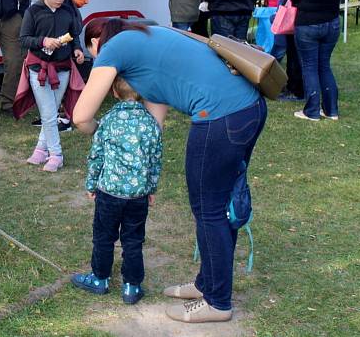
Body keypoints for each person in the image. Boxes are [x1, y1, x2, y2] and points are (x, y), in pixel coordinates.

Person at [73, 18, 267, 323]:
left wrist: (105, 133)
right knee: (217, 206)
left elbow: (81, 116)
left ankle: (217, 302)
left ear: (98, 44)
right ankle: (208, 284)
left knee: (210, 211)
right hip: (248, 109)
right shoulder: (147, 38)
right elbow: (155, 125)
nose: (99, 63)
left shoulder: (114, 48)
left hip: (220, 117)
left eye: (95, 56)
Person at [71, 77, 162, 305]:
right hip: (137, 195)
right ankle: (132, 286)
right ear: (141, 94)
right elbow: (155, 159)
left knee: (103, 237)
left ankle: (99, 279)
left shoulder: (108, 121)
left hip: (109, 193)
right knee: (133, 240)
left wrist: (92, 184)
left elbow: (96, 156)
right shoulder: (150, 123)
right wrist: (151, 187)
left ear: (114, 92)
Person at [17, 0, 85, 172]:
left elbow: (74, 34)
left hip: (63, 68)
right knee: (48, 113)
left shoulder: (67, 11)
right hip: (38, 68)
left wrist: (77, 49)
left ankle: (40, 149)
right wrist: (43, 41)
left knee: (50, 112)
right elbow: (24, 39)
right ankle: (56, 154)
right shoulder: (34, 12)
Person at [288, 0, 344, 121]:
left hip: (309, 25)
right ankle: (331, 110)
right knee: (324, 66)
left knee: (310, 67)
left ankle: (311, 110)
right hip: (332, 24)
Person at [280, 0, 310, 101]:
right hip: (308, 19)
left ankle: (295, 88)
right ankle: (298, 86)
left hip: (297, 19)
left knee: (294, 54)